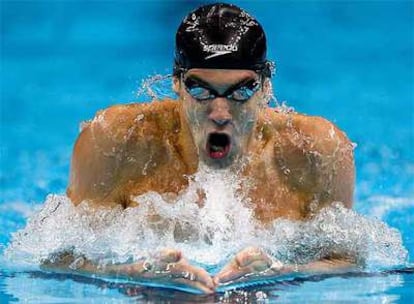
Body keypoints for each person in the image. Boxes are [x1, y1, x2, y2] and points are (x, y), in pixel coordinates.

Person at [44, 3, 355, 294]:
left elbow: (350, 264)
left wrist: (283, 272)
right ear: (177, 82)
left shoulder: (316, 151)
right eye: (200, 89)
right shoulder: (115, 143)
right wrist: (131, 274)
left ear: (265, 85)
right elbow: (53, 259)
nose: (220, 112)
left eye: (241, 90)